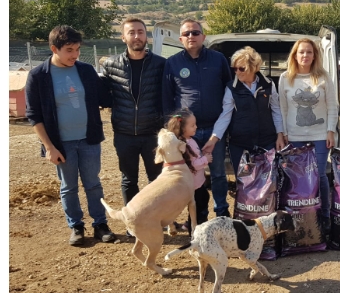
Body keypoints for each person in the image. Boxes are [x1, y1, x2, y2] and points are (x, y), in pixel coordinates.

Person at [25, 25, 116, 246]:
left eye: (77, 49)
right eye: (69, 50)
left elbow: (105, 96)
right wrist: (49, 147)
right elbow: (34, 115)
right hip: (61, 144)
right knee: (69, 186)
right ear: (54, 48)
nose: (74, 55)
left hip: (89, 139)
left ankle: (100, 225)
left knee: (93, 183)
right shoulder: (38, 76)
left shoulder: (85, 70)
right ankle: (76, 226)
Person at [163, 18, 233, 218]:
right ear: (180, 39)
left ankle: (221, 212)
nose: (191, 36)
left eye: (195, 33)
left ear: (203, 36)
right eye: (187, 34)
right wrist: (173, 132)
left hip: (214, 130)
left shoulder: (218, 59)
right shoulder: (172, 63)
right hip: (186, 134)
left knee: (218, 174)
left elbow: (229, 91)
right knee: (191, 175)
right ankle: (197, 214)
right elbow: (167, 99)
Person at [102, 17, 166, 219]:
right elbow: (103, 96)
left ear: (146, 36)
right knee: (128, 180)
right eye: (131, 32)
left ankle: (155, 219)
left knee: (156, 180)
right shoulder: (111, 65)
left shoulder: (161, 65)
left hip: (152, 134)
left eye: (140, 32)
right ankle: (133, 220)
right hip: (124, 134)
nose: (137, 36)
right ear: (123, 37)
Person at [279, 38, 338, 232]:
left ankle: (325, 216)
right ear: (295, 55)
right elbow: (282, 108)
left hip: (320, 135)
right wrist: (284, 133)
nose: (305, 56)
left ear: (315, 55)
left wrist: (331, 130)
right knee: (298, 177)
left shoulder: (323, 77)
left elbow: (332, 105)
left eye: (309, 52)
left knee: (319, 174)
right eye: (301, 52)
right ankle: (302, 215)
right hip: (294, 136)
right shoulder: (285, 78)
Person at [211, 46, 285, 175]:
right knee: (244, 183)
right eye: (234, 68)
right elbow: (225, 116)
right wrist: (214, 138)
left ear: (253, 67)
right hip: (240, 144)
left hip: (266, 141)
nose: (237, 72)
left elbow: (276, 111)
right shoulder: (231, 88)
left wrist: (280, 134)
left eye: (241, 68)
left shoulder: (268, 85)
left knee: (267, 181)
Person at [165, 109, 213, 233]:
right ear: (182, 128)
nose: (196, 127)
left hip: (197, 183)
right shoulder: (183, 145)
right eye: (192, 125)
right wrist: (205, 159)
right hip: (193, 185)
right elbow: (191, 165)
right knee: (199, 206)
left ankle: (192, 226)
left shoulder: (189, 140)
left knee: (201, 201)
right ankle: (197, 231)